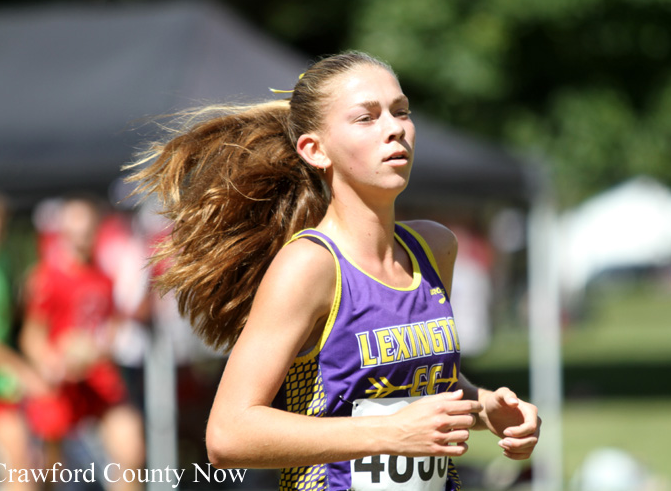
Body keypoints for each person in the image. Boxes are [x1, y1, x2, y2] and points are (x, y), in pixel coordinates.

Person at [130, 51, 540, 490]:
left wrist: (485, 407)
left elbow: (414, 384)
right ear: (315, 150)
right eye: (366, 118)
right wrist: (389, 434)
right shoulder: (310, 265)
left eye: (401, 111)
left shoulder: (434, 248)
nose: (395, 129)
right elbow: (228, 435)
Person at [19, 196, 144, 491]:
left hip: (96, 378)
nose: (80, 238)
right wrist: (52, 360)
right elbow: (31, 336)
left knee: (130, 450)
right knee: (48, 471)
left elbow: (111, 329)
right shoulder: (46, 277)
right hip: (59, 382)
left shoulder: (104, 279)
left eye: (86, 230)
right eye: (74, 231)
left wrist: (97, 349)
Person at [0, 192, 48, 491]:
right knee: (20, 462)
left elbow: (4, 321)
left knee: (27, 463)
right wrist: (21, 370)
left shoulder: (0, 261)